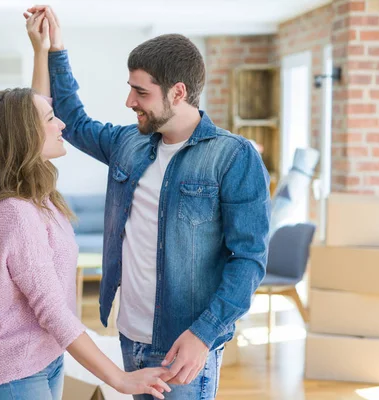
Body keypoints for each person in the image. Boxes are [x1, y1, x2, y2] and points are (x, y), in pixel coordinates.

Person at [25, 6, 270, 400]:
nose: (129, 101)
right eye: (130, 87)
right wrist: (55, 49)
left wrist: (204, 334)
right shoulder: (128, 142)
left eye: (141, 92)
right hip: (130, 334)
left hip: (185, 345)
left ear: (178, 92)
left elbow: (250, 260)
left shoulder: (233, 157)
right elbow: (71, 117)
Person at [0, 18, 172, 399]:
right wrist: (118, 379)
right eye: (49, 119)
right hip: (13, 368)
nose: (61, 122)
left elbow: (33, 107)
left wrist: (43, 50)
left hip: (45, 356)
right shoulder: (16, 212)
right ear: (27, 137)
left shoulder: (32, 191)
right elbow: (52, 310)